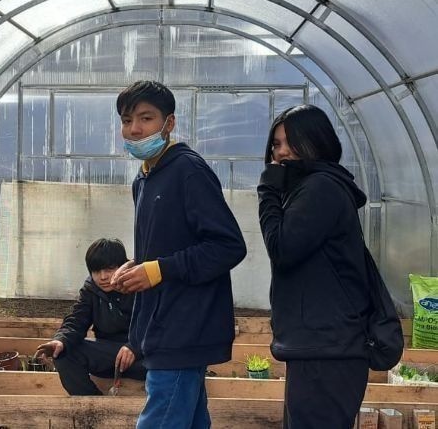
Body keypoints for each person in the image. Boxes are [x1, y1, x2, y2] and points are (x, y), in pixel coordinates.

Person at [110, 80, 246, 429]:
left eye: (146, 118)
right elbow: (165, 249)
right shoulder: (144, 179)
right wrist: (139, 267)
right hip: (163, 322)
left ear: (169, 123)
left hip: (186, 325)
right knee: (190, 420)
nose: (135, 129)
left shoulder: (188, 171)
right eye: (127, 120)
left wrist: (158, 270)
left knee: (162, 419)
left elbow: (227, 245)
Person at [258, 104, 372, 428]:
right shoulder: (314, 187)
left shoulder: (320, 188)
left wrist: (268, 189)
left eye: (291, 142)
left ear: (317, 141)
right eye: (276, 144)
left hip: (327, 351)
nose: (281, 152)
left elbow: (281, 248)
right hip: (323, 347)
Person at [35, 238, 146, 395]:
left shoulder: (140, 284)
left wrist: (134, 346)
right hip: (110, 355)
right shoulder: (91, 290)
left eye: (109, 269)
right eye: (96, 271)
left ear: (123, 266)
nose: (102, 277)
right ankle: (94, 406)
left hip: (143, 357)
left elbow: (155, 323)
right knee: (63, 353)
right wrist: (60, 340)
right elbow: (76, 320)